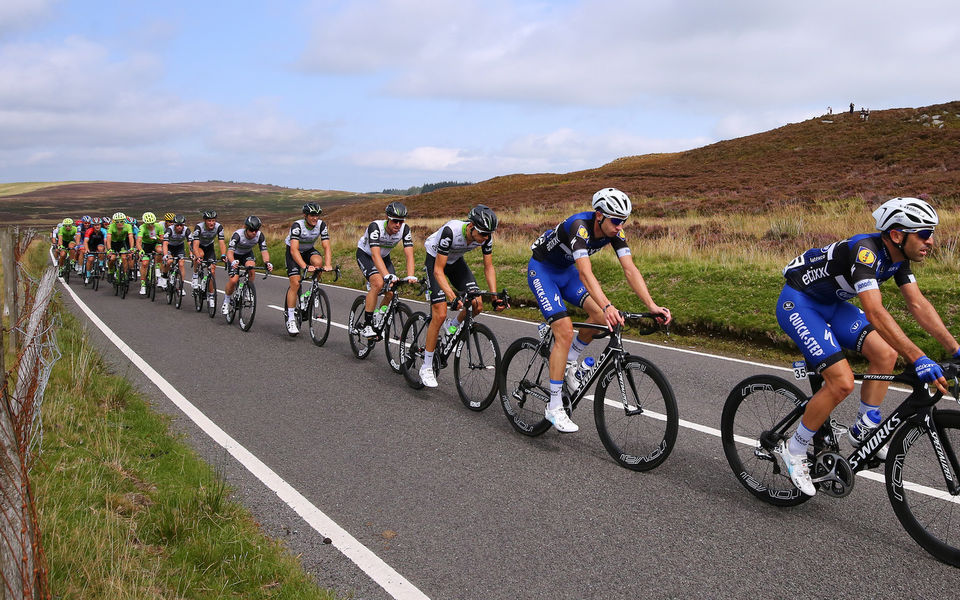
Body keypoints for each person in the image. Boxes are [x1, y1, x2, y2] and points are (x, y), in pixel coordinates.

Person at [775, 197, 960, 496]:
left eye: (931, 233)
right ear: (898, 235)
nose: (931, 241)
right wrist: (920, 357)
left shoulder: (898, 259)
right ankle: (794, 450)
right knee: (841, 382)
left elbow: (918, 304)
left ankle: (863, 429)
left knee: (886, 353)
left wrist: (956, 349)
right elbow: (875, 312)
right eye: (924, 234)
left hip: (832, 305)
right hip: (800, 304)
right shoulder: (866, 252)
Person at [527, 188, 671, 432]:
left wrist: (652, 305)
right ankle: (553, 407)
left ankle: (570, 363)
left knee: (601, 319)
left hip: (566, 273)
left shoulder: (615, 232)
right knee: (565, 330)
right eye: (615, 220)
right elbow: (585, 272)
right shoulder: (579, 227)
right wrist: (607, 305)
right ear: (599, 215)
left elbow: (630, 270)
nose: (619, 226)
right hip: (543, 271)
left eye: (623, 221)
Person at [419, 205, 507, 388]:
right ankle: (426, 366)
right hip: (435, 261)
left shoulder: (485, 237)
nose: (485, 238)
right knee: (440, 312)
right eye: (482, 234)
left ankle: (452, 327)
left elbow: (488, 267)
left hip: (456, 262)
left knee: (477, 304)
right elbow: (438, 271)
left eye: (488, 234)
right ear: (471, 227)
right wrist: (452, 296)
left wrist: (494, 295)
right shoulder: (451, 232)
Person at [355, 201, 417, 338]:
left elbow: (409, 254)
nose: (398, 225)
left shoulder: (404, 229)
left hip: (384, 257)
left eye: (401, 221)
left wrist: (411, 275)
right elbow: (375, 255)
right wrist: (386, 276)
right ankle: (367, 325)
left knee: (391, 290)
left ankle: (379, 314)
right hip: (366, 255)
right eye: (395, 221)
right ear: (387, 218)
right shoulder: (375, 227)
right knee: (378, 282)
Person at [284, 203, 332, 335]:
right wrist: (304, 266)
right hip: (294, 252)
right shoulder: (297, 226)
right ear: (305, 215)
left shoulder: (321, 225)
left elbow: (326, 246)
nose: (315, 218)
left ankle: (312, 292)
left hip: (308, 250)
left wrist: (328, 264)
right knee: (295, 283)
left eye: (317, 215)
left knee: (318, 262)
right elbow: (293, 250)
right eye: (312, 215)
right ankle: (291, 319)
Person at [222, 216, 273, 315]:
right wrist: (232, 262)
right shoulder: (238, 235)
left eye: (256, 230)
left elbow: (264, 251)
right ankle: (226, 301)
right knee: (233, 280)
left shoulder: (259, 235)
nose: (254, 232)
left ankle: (248, 290)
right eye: (252, 230)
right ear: (246, 228)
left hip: (247, 254)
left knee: (251, 267)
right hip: (234, 255)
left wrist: (267, 262)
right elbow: (230, 252)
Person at [189, 210, 227, 288]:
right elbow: (195, 245)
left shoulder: (219, 227)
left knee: (212, 270)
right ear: (204, 221)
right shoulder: (199, 227)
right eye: (209, 221)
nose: (212, 223)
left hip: (209, 246)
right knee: (200, 254)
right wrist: (198, 257)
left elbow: (222, 243)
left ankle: (211, 295)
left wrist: (223, 255)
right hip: (198, 245)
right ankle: (195, 275)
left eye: (213, 221)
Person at [135, 212, 165, 295]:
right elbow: (138, 241)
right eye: (148, 224)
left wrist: (157, 237)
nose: (150, 225)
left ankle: (158, 269)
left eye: (152, 223)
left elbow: (162, 240)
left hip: (155, 243)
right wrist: (140, 250)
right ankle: (143, 285)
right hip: (145, 245)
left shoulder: (159, 226)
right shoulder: (142, 227)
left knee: (159, 250)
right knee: (144, 264)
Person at [161, 214, 191, 293]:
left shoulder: (187, 230)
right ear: (174, 224)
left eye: (181, 225)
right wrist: (165, 255)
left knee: (181, 264)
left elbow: (190, 244)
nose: (179, 227)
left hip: (179, 247)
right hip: (170, 247)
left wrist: (191, 254)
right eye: (177, 225)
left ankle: (181, 287)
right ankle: (164, 276)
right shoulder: (169, 230)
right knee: (169, 261)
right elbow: (165, 244)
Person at [104, 212, 135, 278]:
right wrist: (109, 249)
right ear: (114, 222)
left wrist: (132, 248)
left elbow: (131, 238)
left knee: (124, 258)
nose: (120, 223)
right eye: (117, 222)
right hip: (112, 243)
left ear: (124, 221)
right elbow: (108, 238)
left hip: (121, 243)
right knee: (112, 258)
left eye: (122, 221)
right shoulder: (111, 226)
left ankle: (125, 274)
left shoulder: (128, 226)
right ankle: (110, 271)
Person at [82, 216, 107, 283]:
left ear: (100, 225)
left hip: (100, 245)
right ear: (93, 225)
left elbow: (105, 241)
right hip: (91, 246)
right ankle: (88, 275)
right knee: (90, 259)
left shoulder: (104, 231)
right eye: (95, 225)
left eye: (98, 225)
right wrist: (87, 249)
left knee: (101, 249)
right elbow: (85, 241)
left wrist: (106, 249)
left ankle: (100, 265)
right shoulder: (89, 231)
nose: (97, 226)